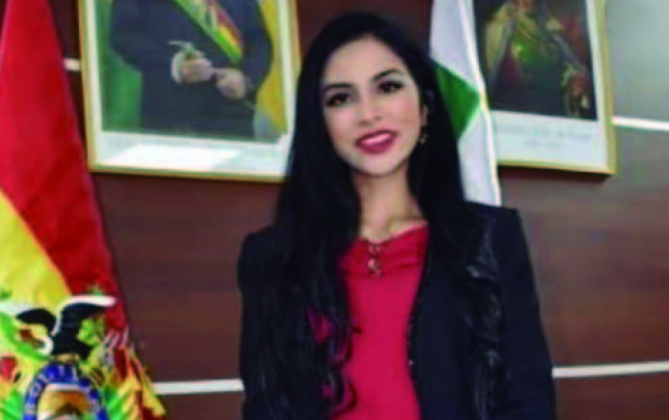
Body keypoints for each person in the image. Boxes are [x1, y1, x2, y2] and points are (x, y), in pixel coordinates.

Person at [237, 12, 556, 420]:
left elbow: (528, 403)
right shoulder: (272, 258)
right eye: (341, 98)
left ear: (424, 107)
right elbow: (267, 407)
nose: (368, 113)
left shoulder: (490, 241)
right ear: (320, 125)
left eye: (387, 87)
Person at [110, 0, 272, 138]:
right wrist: (173, 64)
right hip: (171, 115)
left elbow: (260, 43)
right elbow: (124, 35)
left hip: (231, 118)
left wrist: (245, 79)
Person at [478, 0, 593, 118]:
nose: (530, 2)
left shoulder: (552, 27)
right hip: (511, 113)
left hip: (549, 112)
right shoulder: (500, 27)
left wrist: (575, 81)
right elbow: (490, 74)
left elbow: (571, 65)